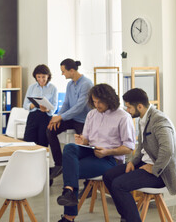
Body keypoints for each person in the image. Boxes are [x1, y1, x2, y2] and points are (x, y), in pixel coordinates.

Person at [56, 84, 136, 222]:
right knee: (69, 147)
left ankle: (69, 217)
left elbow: (129, 147)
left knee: (71, 169)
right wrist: (82, 140)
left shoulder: (123, 117)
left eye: (100, 101)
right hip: (90, 151)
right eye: (94, 101)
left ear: (109, 99)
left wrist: (108, 151)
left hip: (110, 159)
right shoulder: (92, 114)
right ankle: (68, 191)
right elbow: (87, 141)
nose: (96, 105)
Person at [103, 88, 176, 222]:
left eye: (129, 107)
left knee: (119, 185)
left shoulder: (159, 121)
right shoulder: (142, 118)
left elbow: (167, 150)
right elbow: (141, 146)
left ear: (139, 106)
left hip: (160, 173)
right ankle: (127, 216)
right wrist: (132, 162)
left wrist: (154, 168)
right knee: (108, 176)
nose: (127, 110)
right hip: (144, 164)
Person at [47, 59, 93, 179]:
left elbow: (79, 107)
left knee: (84, 144)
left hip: (83, 121)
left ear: (71, 71)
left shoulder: (87, 84)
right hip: (72, 118)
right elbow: (66, 104)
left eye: (63, 71)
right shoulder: (70, 84)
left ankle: (87, 177)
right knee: (50, 129)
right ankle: (59, 163)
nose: (62, 74)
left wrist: (61, 116)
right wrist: (58, 118)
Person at [23, 64, 58, 147]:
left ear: (48, 76)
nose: (41, 79)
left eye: (43, 77)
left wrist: (47, 109)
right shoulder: (31, 87)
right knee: (28, 141)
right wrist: (34, 104)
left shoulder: (53, 88)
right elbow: (25, 105)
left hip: (45, 117)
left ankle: (41, 160)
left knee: (42, 142)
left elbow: (54, 105)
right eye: (38, 77)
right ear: (35, 76)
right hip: (33, 116)